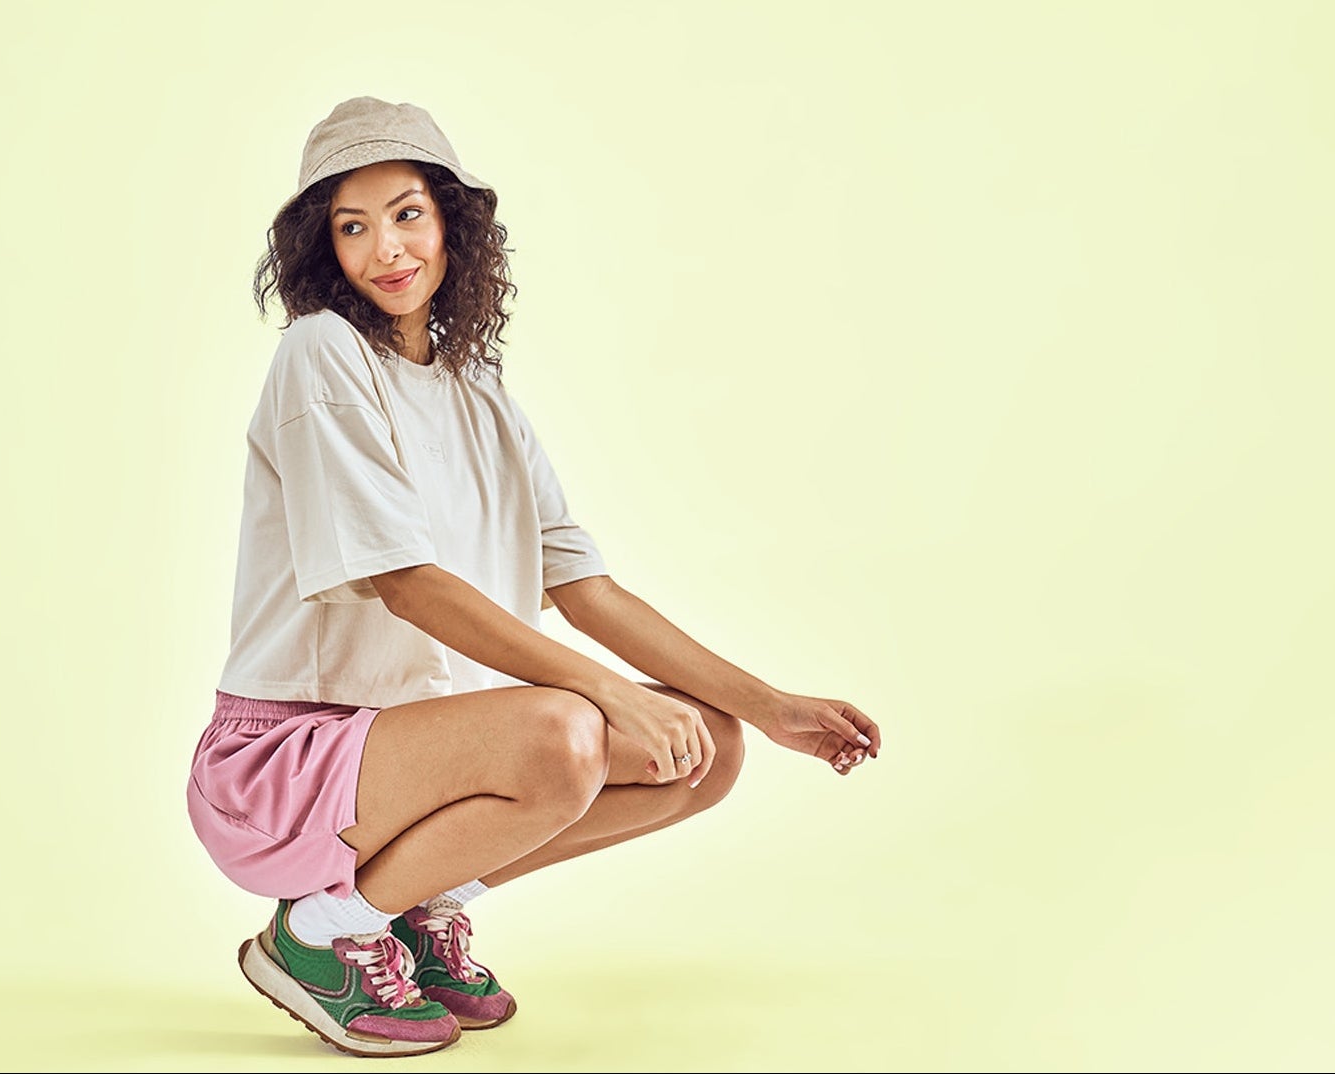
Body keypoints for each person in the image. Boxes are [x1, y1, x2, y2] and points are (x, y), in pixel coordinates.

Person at [188, 97, 885, 1058]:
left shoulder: (480, 393)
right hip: (288, 760)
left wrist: (770, 708)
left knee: (708, 750)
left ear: (451, 225)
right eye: (352, 227)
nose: (386, 249)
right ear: (321, 248)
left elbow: (586, 588)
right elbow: (406, 583)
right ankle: (317, 938)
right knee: (566, 731)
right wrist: (603, 695)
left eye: (406, 215)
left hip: (417, 752)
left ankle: (419, 909)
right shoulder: (322, 353)